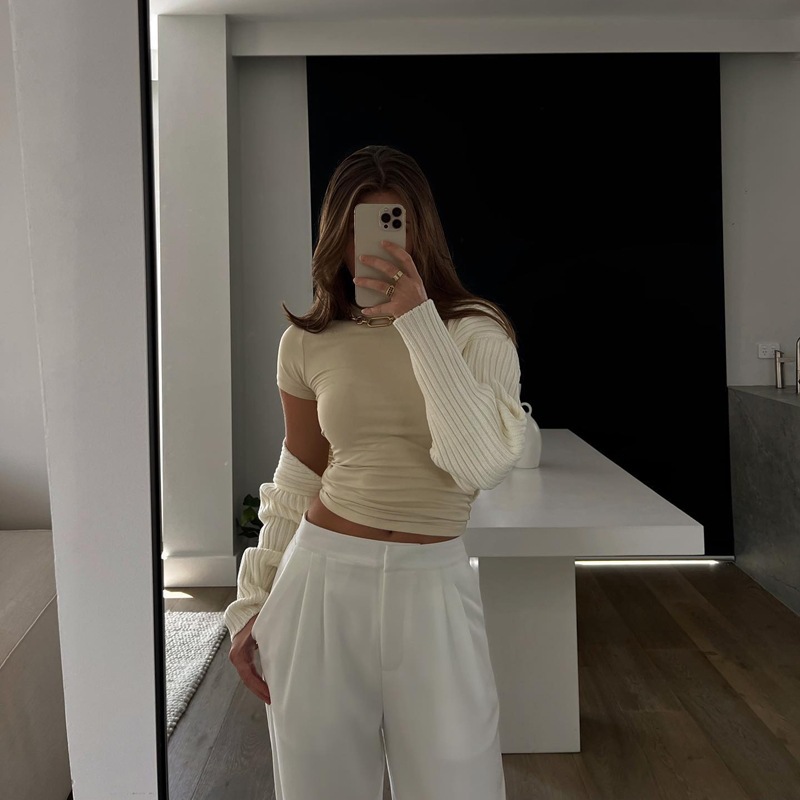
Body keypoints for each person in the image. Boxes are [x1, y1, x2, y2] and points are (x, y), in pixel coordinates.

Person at [225, 144, 528, 800]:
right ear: (336, 237)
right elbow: (300, 470)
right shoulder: (307, 341)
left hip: (434, 587)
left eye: (397, 227)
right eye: (361, 230)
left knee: (461, 786)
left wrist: (417, 321)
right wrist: (254, 598)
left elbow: (477, 464)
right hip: (320, 581)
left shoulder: (476, 333)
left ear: (423, 234)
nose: (381, 248)